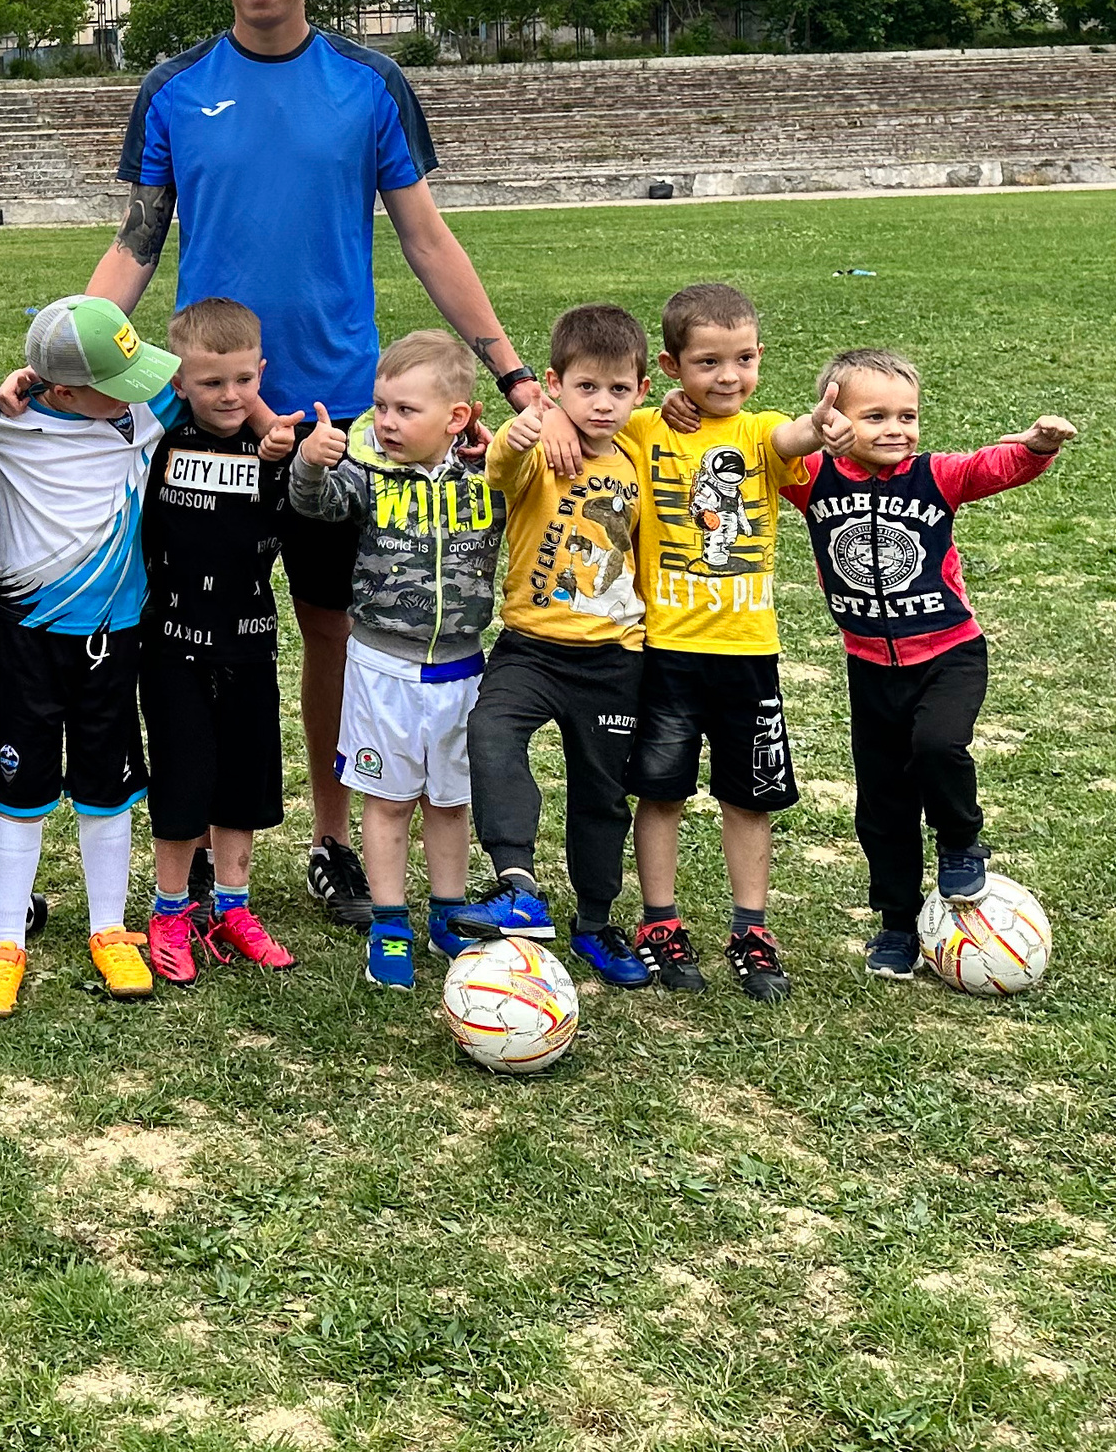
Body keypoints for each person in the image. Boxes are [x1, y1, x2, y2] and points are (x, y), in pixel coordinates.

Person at [91, 0, 538, 933]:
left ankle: (335, 841)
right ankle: (193, 847)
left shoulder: (367, 83)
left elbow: (426, 236)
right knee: (193, 631)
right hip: (212, 418)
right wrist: (66, 354)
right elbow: (136, 243)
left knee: (340, 633)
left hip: (342, 423)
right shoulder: (172, 88)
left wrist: (511, 370)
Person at [778, 348, 1075, 979]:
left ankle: (963, 840)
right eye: (875, 415)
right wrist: (690, 409)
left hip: (949, 652)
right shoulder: (811, 478)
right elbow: (752, 453)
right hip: (870, 667)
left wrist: (1036, 448)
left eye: (907, 415)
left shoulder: (933, 476)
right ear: (834, 418)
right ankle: (895, 923)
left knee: (938, 746)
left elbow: (988, 468)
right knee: (882, 804)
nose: (896, 429)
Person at [0, 295, 194, 1017]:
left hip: (112, 638)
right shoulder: (4, 422)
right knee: (19, 788)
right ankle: (4, 942)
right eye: (113, 383)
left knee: (108, 783)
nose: (132, 394)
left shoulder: (145, 419)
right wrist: (8, 385)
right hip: (27, 639)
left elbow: (181, 386)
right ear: (61, 389)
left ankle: (108, 926)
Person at [621, 286, 827, 1003]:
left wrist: (820, 427)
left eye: (742, 359)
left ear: (760, 358)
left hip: (749, 653)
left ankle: (751, 928)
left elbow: (789, 439)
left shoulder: (763, 429)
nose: (728, 376)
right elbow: (595, 413)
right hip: (667, 652)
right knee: (662, 791)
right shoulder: (648, 428)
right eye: (708, 362)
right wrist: (656, 408)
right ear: (675, 366)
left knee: (749, 798)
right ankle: (659, 922)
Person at [288, 330, 509, 991]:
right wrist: (310, 464)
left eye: (405, 410)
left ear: (458, 417)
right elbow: (314, 506)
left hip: (462, 668)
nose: (386, 421)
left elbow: (545, 479)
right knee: (386, 802)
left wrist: (509, 449)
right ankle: (389, 923)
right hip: (381, 667)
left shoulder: (489, 475)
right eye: (381, 406)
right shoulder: (364, 469)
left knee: (448, 802)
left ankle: (445, 914)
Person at [463, 304, 653, 989]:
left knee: (602, 793)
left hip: (615, 658)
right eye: (586, 388)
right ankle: (516, 884)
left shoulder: (640, 455)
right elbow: (502, 459)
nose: (602, 405)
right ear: (555, 384)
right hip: (531, 648)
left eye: (619, 390)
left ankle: (597, 923)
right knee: (489, 733)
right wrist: (536, 421)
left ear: (642, 392)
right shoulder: (538, 446)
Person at [135, 298, 297, 985]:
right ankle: (171, 910)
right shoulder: (155, 442)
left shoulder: (279, 452)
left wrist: (285, 445)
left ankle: (233, 905)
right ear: (177, 383)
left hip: (250, 644)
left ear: (260, 372)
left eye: (242, 380)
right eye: (210, 383)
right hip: (171, 644)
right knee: (181, 778)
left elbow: (318, 494)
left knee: (240, 783)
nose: (229, 396)